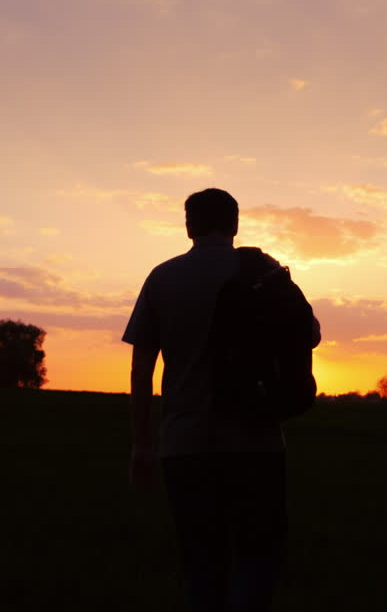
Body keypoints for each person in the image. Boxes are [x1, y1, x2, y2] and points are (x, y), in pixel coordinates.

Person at [125, 188, 317, 612]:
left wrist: (141, 444)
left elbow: (141, 370)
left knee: (202, 566)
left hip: (184, 444)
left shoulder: (162, 277)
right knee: (258, 559)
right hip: (258, 442)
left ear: (189, 226)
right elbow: (310, 334)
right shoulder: (264, 271)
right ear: (235, 225)